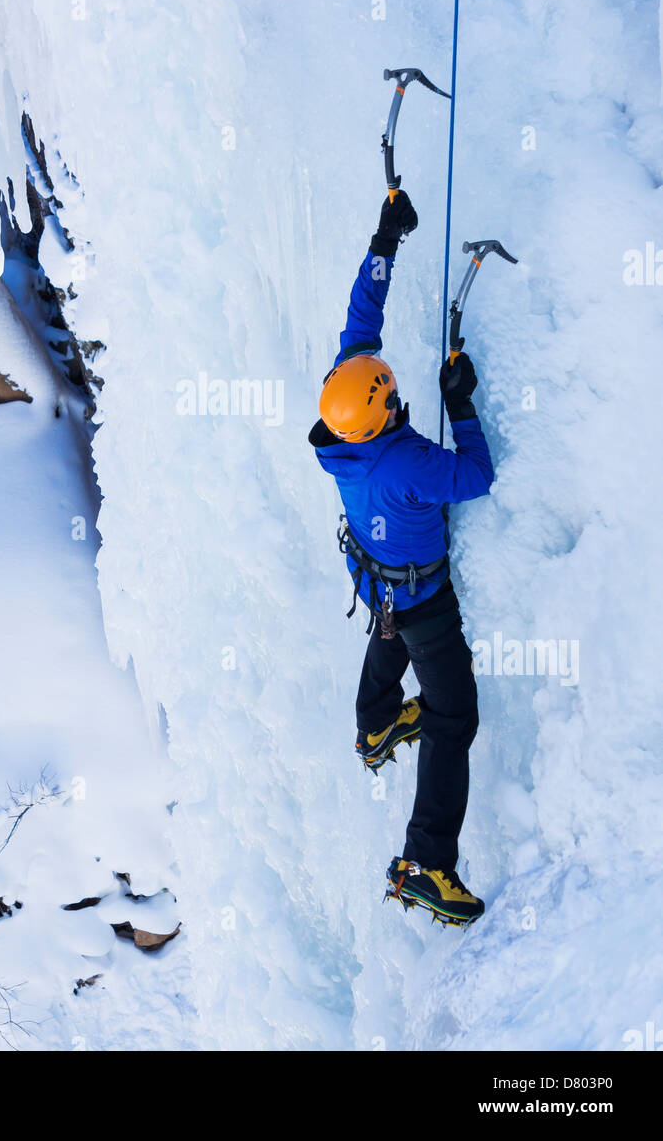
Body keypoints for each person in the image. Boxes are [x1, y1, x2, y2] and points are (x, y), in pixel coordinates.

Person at [309, 189, 494, 927]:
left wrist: (385, 241)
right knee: (454, 717)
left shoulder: (340, 422)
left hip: (379, 586)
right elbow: (477, 477)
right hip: (421, 605)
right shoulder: (412, 461)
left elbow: (363, 322)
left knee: (387, 631)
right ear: (385, 410)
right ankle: (427, 863)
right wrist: (461, 404)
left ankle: (377, 722)